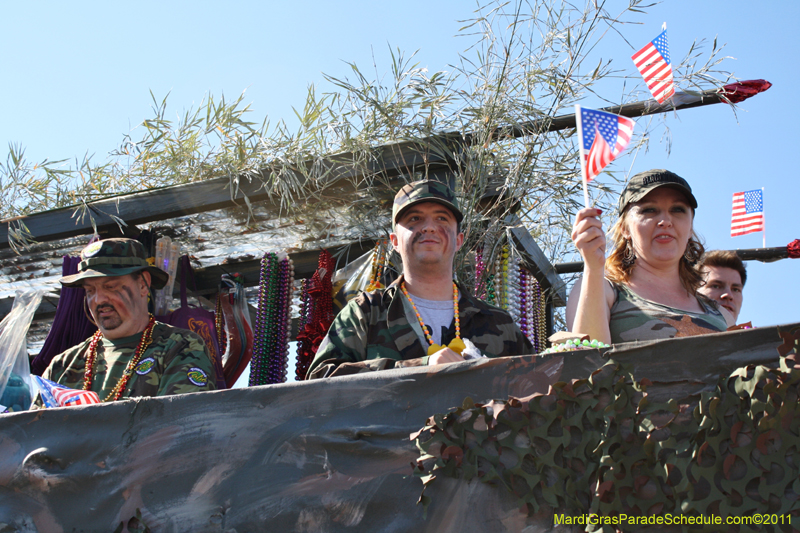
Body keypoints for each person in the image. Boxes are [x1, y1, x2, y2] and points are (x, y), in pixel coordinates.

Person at [307, 180, 533, 379]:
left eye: (442, 218)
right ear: (394, 241)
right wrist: (419, 367)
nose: (429, 227)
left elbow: (537, 389)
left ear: (459, 240)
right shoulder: (366, 313)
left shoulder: (499, 325)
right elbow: (321, 381)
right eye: (414, 219)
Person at [566, 169, 730, 345]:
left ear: (690, 227)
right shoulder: (601, 287)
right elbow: (588, 363)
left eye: (678, 209)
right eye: (649, 210)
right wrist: (593, 267)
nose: (665, 221)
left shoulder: (721, 314)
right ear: (625, 228)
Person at [41, 238, 217, 401]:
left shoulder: (180, 347)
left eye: (110, 286)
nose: (98, 300)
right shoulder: (63, 365)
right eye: (90, 291)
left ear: (142, 284)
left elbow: (176, 426)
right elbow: (33, 430)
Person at [697, 250, 746, 323]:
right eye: (716, 286)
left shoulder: (762, 334)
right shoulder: (674, 331)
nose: (728, 295)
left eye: (735, 289)